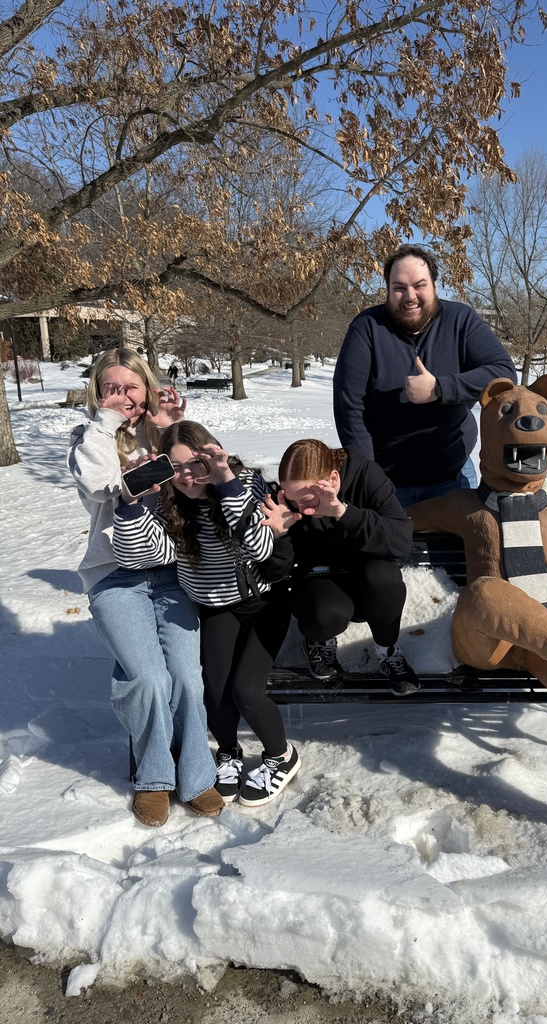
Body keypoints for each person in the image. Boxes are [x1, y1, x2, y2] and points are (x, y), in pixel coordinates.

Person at [67, 348, 223, 828]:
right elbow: (95, 484)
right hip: (113, 577)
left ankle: (196, 775)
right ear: (98, 393)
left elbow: (201, 482)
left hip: (172, 573)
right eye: (110, 388)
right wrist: (104, 423)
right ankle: (154, 778)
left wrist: (174, 426)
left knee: (186, 678)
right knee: (149, 679)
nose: (121, 396)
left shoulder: (163, 428)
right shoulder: (88, 438)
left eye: (130, 386)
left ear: (147, 387)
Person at [112, 421, 301, 809]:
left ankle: (281, 756)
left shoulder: (246, 484)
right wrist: (130, 504)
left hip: (264, 603)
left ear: (212, 455)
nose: (185, 476)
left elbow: (261, 546)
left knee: (246, 690)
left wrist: (227, 482)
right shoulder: (169, 504)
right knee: (211, 690)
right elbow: (142, 555)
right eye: (175, 467)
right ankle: (228, 753)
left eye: (194, 463)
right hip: (216, 608)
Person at [333, 244, 517, 506]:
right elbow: (349, 407)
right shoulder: (367, 329)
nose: (410, 296)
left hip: (454, 477)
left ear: (435, 286)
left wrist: (441, 388)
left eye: (419, 285)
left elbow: (504, 374)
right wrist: (369, 479)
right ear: (387, 290)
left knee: (458, 548)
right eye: (399, 288)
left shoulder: (460, 320)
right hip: (388, 484)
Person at [278, 438, 419, 696]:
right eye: (293, 500)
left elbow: (400, 541)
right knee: (325, 612)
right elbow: (278, 571)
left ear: (332, 479)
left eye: (308, 500)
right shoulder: (291, 502)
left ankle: (387, 650)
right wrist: (279, 535)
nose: (302, 510)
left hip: (366, 575)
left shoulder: (365, 474)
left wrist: (345, 514)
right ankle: (319, 641)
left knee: (384, 578)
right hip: (318, 579)